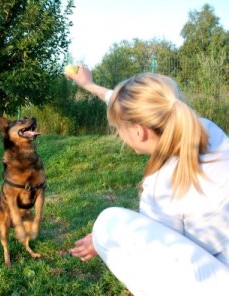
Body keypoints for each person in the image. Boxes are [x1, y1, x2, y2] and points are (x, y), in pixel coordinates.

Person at [66, 65, 229, 296]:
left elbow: (160, 255)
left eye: (118, 128)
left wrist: (101, 240)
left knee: (108, 222)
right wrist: (89, 85)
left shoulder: (160, 187)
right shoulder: (205, 128)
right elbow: (127, 103)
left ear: (139, 132)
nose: (119, 133)